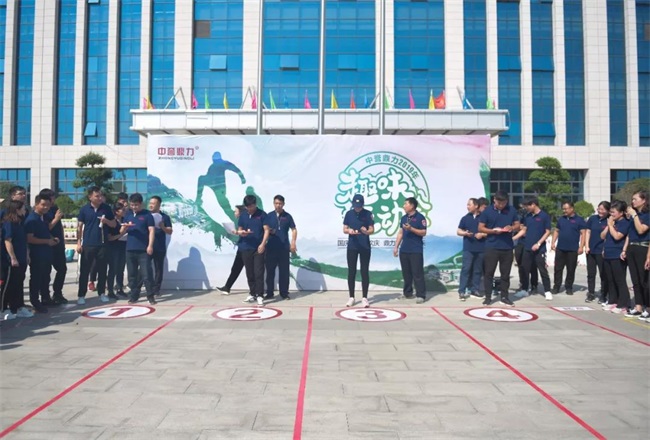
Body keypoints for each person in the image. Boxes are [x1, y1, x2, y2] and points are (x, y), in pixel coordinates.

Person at [478, 190, 520, 307]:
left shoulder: (511, 210)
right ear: (494, 200)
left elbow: (517, 225)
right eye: (499, 203)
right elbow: (481, 227)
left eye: (504, 203)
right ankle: (488, 297)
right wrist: (492, 231)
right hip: (491, 246)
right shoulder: (487, 211)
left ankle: (504, 297)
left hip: (507, 247)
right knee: (489, 273)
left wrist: (511, 228)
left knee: (505, 274)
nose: (501, 205)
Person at [76, 187, 115, 305]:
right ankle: (81, 295)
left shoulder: (106, 208)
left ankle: (102, 293)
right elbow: (79, 227)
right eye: (97, 196)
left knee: (102, 270)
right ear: (90, 197)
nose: (100, 198)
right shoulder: (84, 209)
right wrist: (79, 243)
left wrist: (106, 221)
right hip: (88, 244)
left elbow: (113, 224)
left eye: (100, 196)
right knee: (84, 271)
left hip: (102, 244)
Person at [513, 196, 553, 300]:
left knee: (542, 269)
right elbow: (524, 230)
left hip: (539, 248)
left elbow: (547, 231)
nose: (526, 208)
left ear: (533, 204)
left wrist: (538, 243)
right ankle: (524, 289)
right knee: (524, 269)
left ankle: (547, 291)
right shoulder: (528, 216)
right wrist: (513, 238)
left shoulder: (544, 216)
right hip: (527, 247)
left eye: (527, 206)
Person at [25, 195, 59, 313]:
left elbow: (44, 233)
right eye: (43, 205)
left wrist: (52, 239)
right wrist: (47, 241)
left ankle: (45, 298)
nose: (46, 207)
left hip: (46, 253)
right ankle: (35, 301)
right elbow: (29, 238)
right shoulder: (32, 219)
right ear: (36, 204)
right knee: (36, 278)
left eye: (48, 205)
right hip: (37, 254)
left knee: (45, 277)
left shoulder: (43, 218)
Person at [1, 200, 34, 319]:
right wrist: (13, 257)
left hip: (22, 258)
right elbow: (7, 241)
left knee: (18, 284)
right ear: (17, 209)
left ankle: (17, 307)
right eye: (23, 208)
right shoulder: (9, 223)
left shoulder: (20, 223)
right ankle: (3, 309)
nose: (25, 210)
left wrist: (27, 255)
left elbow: (24, 241)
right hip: (11, 261)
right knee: (8, 286)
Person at [122, 193, 156, 305]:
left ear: (141, 204)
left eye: (136, 205)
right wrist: (125, 227)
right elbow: (121, 230)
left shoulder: (147, 215)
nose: (134, 207)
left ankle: (150, 295)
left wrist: (150, 245)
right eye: (132, 205)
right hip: (130, 249)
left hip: (143, 249)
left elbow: (151, 230)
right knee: (132, 275)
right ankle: (134, 295)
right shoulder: (128, 214)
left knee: (146, 274)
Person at [262, 195, 297, 300]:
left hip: (284, 248)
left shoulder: (288, 216)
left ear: (283, 204)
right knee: (270, 272)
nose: (278, 205)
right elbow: (264, 229)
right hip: (271, 248)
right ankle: (269, 293)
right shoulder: (269, 216)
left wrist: (293, 243)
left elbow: (294, 229)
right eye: (276, 203)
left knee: (284, 272)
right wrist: (269, 231)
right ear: (273, 204)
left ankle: (284, 293)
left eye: (280, 203)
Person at [196, 151, 246, 223]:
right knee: (201, 179)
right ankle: (198, 200)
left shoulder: (223, 163)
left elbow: (235, 169)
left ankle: (237, 219)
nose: (214, 161)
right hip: (214, 185)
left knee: (225, 206)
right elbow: (207, 176)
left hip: (219, 188)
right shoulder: (212, 166)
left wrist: (242, 177)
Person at [343, 194, 375, 308]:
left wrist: (366, 231)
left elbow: (372, 229)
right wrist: (349, 231)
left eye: (359, 205)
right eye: (355, 205)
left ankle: (364, 297)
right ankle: (351, 297)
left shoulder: (368, 214)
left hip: (365, 246)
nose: (357, 207)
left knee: (364, 271)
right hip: (352, 246)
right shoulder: (349, 214)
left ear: (363, 204)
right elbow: (344, 229)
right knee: (351, 271)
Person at [394, 197, 427, 304]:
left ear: (412, 206)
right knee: (406, 273)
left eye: (406, 204)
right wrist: (396, 246)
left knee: (417, 273)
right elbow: (400, 233)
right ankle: (407, 293)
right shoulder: (404, 218)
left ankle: (421, 295)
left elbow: (423, 232)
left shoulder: (420, 218)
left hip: (415, 250)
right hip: (404, 249)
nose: (404, 206)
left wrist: (411, 229)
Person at [551, 201, 587, 295]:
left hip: (572, 249)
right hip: (560, 248)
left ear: (572, 208)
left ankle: (569, 287)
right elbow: (556, 231)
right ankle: (556, 286)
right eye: (563, 209)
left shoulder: (579, 220)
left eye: (566, 209)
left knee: (571, 269)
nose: (564, 211)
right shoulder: (561, 219)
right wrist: (553, 242)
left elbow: (583, 234)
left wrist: (581, 247)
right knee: (558, 269)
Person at [39, 189, 68, 304]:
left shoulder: (55, 208)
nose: (53, 199)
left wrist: (63, 242)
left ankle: (58, 293)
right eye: (51, 197)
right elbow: (46, 228)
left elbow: (59, 226)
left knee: (62, 269)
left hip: (58, 244)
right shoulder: (43, 211)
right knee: (46, 272)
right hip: (47, 245)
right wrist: (56, 219)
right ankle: (45, 296)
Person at [601, 201, 631, 314]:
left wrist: (610, 225)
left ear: (621, 213)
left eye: (613, 212)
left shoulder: (625, 223)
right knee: (610, 279)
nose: (611, 214)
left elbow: (617, 236)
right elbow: (602, 236)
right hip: (608, 253)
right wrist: (609, 225)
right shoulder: (613, 223)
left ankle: (623, 304)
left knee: (619, 280)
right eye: (610, 212)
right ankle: (612, 301)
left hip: (617, 254)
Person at [624, 191, 649, 318]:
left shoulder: (646, 215)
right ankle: (638, 306)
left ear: (643, 200)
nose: (633, 201)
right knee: (635, 279)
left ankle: (647, 306)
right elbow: (629, 234)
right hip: (632, 247)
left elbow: (641, 230)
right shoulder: (634, 216)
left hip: (642, 247)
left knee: (644, 279)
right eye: (632, 199)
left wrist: (634, 216)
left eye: (635, 199)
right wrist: (624, 249)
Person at [238, 195, 266, 306]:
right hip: (245, 247)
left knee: (258, 272)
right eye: (248, 207)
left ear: (255, 204)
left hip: (258, 248)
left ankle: (260, 295)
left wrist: (263, 244)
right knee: (249, 272)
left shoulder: (262, 214)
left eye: (252, 206)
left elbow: (266, 230)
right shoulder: (243, 215)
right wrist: (241, 233)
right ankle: (252, 293)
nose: (250, 209)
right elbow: (240, 229)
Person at [456, 198, 486, 301]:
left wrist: (482, 234)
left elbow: (489, 232)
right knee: (466, 269)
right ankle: (462, 291)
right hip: (468, 248)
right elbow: (458, 231)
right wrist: (464, 233)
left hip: (481, 248)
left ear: (476, 206)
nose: (467, 207)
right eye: (467, 205)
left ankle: (475, 290)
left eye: (469, 204)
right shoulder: (465, 218)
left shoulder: (483, 217)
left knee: (477, 270)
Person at [585, 201, 610, 303]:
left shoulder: (609, 220)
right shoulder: (592, 219)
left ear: (608, 210)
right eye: (599, 209)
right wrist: (587, 245)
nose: (600, 211)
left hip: (602, 251)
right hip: (591, 250)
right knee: (591, 273)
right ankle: (591, 293)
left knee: (603, 274)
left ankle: (603, 294)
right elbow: (588, 232)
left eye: (602, 209)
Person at [217, 205, 246, 295]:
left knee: (251, 271)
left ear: (240, 212)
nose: (234, 213)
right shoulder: (241, 220)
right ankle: (227, 287)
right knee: (235, 268)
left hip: (247, 249)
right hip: (241, 248)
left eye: (236, 211)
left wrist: (236, 232)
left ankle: (257, 291)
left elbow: (246, 232)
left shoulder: (245, 220)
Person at [149, 196, 173, 297]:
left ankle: (156, 289)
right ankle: (138, 288)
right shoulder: (146, 215)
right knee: (144, 268)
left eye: (153, 203)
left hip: (159, 247)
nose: (151, 205)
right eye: (150, 203)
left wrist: (162, 227)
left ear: (159, 205)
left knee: (158, 269)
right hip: (147, 246)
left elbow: (170, 231)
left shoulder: (165, 217)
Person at [514, 204, 538, 294]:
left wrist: (523, 228)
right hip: (519, 242)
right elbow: (515, 227)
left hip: (530, 242)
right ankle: (523, 284)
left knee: (532, 265)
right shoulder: (517, 215)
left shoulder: (531, 216)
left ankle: (534, 285)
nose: (523, 208)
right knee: (521, 265)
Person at [106, 202, 128, 299]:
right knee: (113, 269)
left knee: (121, 269)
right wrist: (121, 234)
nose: (124, 211)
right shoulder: (112, 222)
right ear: (116, 211)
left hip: (123, 246)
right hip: (113, 247)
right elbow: (110, 238)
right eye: (122, 210)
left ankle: (120, 288)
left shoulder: (124, 220)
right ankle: (110, 290)